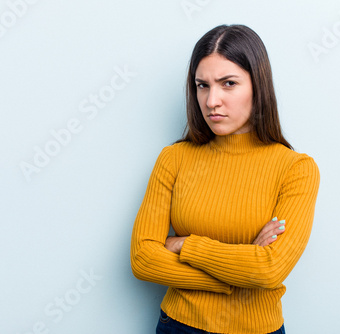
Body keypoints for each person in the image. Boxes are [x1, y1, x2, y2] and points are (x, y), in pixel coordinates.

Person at [130, 24, 320, 334]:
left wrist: (185, 244)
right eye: (202, 85)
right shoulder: (174, 158)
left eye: (228, 83)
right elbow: (143, 259)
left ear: (257, 86)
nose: (211, 100)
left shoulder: (295, 169)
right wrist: (237, 274)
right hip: (179, 326)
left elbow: (269, 269)